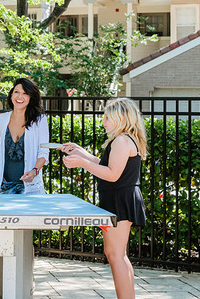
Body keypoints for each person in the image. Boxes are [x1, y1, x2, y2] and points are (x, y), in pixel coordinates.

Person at [59, 98, 146, 299]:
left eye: (107, 117)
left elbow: (112, 174)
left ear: (121, 118)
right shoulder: (124, 139)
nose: (104, 121)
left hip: (119, 199)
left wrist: (82, 163)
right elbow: (106, 164)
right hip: (118, 198)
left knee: (116, 255)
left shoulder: (122, 140)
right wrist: (82, 153)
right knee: (118, 255)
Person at [0, 77, 49, 195]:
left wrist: (34, 171)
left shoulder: (39, 120)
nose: (19, 97)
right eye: (16, 92)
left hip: (30, 186)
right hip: (5, 186)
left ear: (30, 98)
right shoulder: (2, 119)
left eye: (25, 93)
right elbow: (3, 149)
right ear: (11, 95)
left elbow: (43, 152)